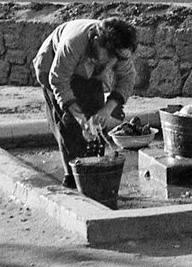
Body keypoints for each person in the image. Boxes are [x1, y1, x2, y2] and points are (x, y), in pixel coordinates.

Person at [33, 16, 138, 188]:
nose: (114, 61)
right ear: (98, 42)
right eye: (111, 56)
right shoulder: (73, 43)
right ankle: (72, 178)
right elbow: (59, 81)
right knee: (69, 125)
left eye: (118, 57)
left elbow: (127, 78)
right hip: (54, 67)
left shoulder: (118, 50)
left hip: (88, 70)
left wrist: (106, 110)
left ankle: (95, 174)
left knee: (97, 124)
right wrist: (80, 118)